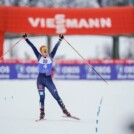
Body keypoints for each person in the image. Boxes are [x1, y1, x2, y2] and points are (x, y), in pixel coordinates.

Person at [22, 34, 71, 120]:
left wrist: (60, 40)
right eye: (44, 50)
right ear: (41, 51)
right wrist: (26, 39)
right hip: (40, 80)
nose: (45, 51)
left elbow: (56, 47)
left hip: (48, 80)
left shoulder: (51, 56)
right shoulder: (39, 56)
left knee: (56, 95)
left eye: (46, 50)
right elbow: (32, 47)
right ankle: (42, 113)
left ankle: (64, 109)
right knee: (42, 97)